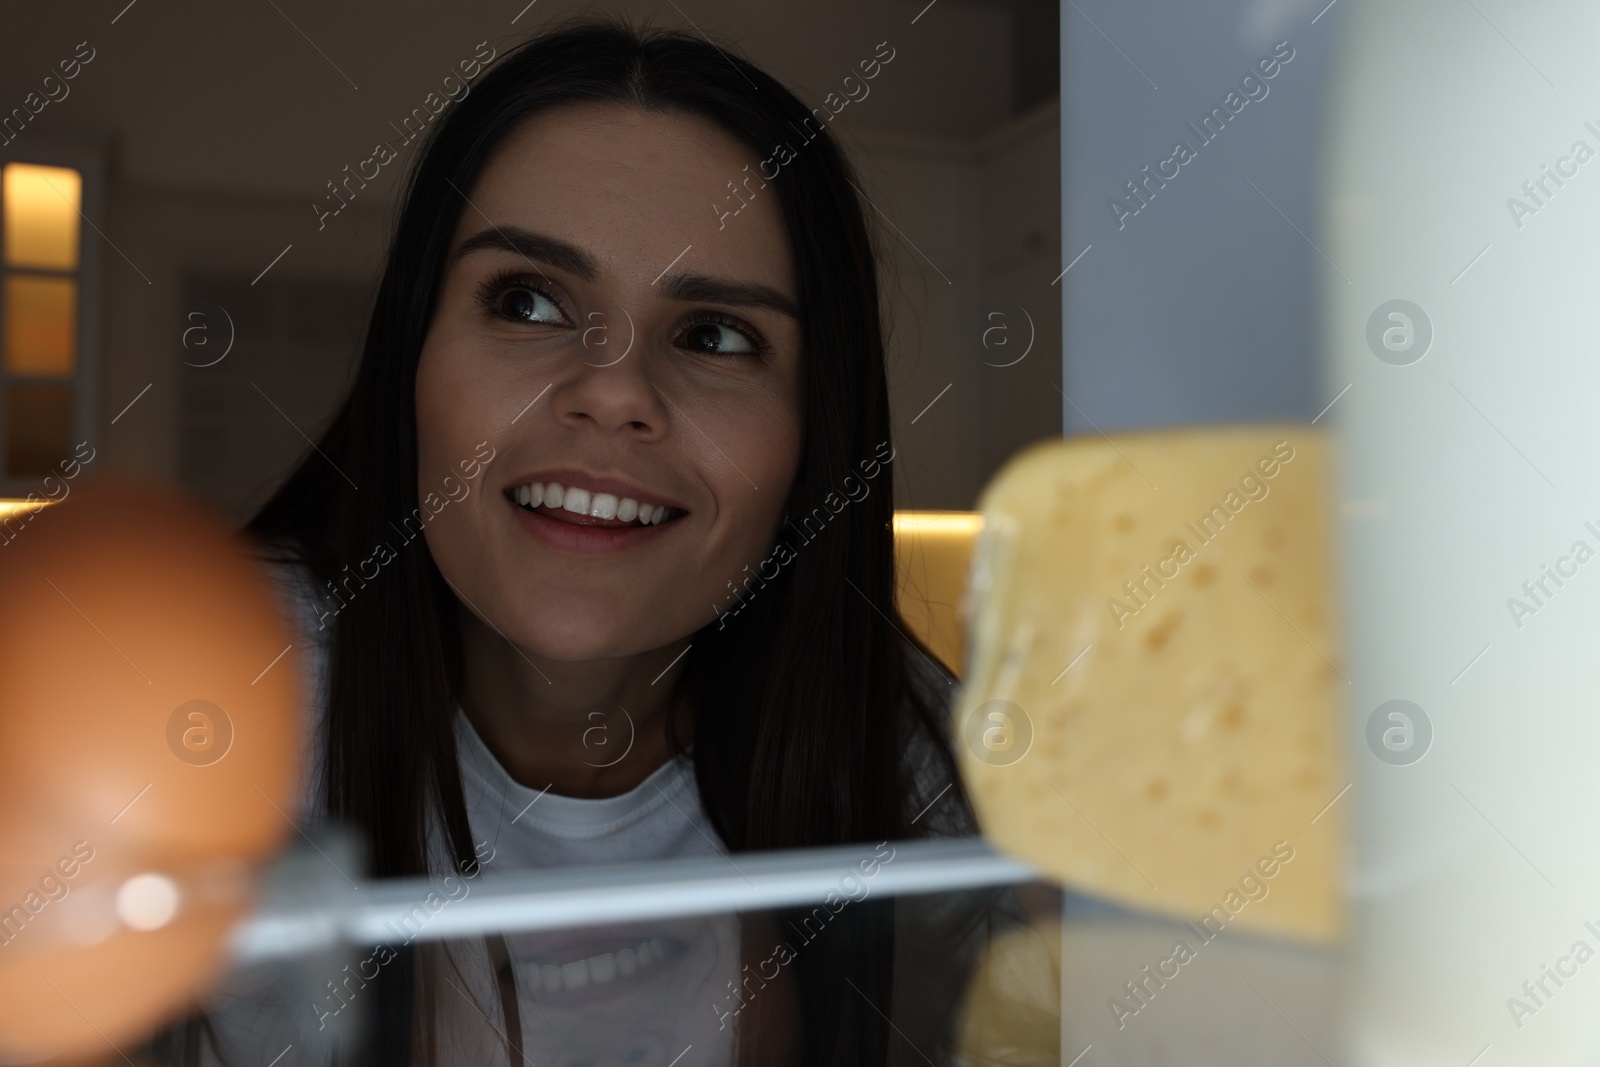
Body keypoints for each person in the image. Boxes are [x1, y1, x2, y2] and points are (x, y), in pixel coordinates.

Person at [156, 17, 1004, 1067]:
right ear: (411, 362)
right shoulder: (203, 684)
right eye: (527, 301)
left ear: (810, 443)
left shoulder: (914, 778)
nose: (613, 393)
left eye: (714, 335)